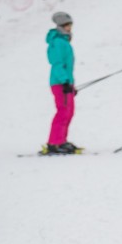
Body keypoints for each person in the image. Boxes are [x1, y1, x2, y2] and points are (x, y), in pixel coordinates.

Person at [45, 11, 79, 155]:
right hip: (60, 83)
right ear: (60, 26)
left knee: (69, 112)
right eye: (66, 25)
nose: (69, 28)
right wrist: (65, 82)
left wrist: (70, 84)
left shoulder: (63, 41)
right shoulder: (58, 42)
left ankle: (61, 140)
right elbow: (57, 63)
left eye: (69, 25)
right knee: (63, 112)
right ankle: (55, 143)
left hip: (65, 83)